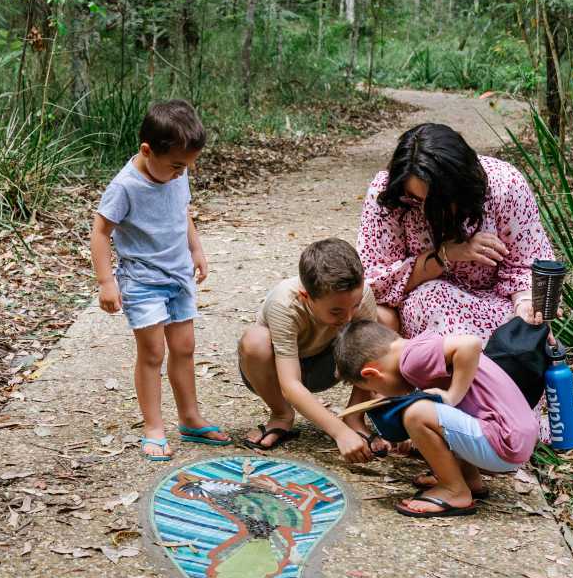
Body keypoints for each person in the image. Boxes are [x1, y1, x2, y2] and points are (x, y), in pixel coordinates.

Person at [89, 100, 232, 461]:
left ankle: (190, 417)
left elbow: (182, 212)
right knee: (153, 352)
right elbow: (101, 230)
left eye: (189, 164)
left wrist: (196, 249)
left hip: (178, 276)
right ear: (147, 151)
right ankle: (154, 426)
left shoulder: (176, 173)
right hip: (141, 280)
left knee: (184, 348)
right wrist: (107, 282)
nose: (185, 172)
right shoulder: (126, 186)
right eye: (178, 165)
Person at [356, 123, 558, 339]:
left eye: (437, 202)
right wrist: (445, 255)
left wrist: (525, 303)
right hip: (423, 307)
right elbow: (374, 284)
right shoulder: (388, 194)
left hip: (496, 308)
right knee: (429, 300)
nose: (425, 210)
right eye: (415, 199)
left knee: (522, 330)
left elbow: (528, 265)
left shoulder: (505, 184)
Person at [332, 319, 538, 517]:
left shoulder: (411, 360)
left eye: (375, 391)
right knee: (435, 410)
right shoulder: (416, 349)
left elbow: (470, 344)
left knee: (416, 414)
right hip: (513, 439)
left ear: (372, 373)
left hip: (504, 442)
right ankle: (468, 479)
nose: (380, 395)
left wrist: (452, 396)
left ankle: (454, 491)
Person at [234, 238, 400, 459]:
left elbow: (369, 352)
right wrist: (339, 432)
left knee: (384, 322)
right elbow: (290, 383)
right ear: (306, 296)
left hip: (331, 364)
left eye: (355, 305)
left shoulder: (362, 294)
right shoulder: (284, 303)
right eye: (336, 311)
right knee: (255, 340)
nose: (348, 317)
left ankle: (355, 417)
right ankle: (281, 415)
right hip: (277, 372)